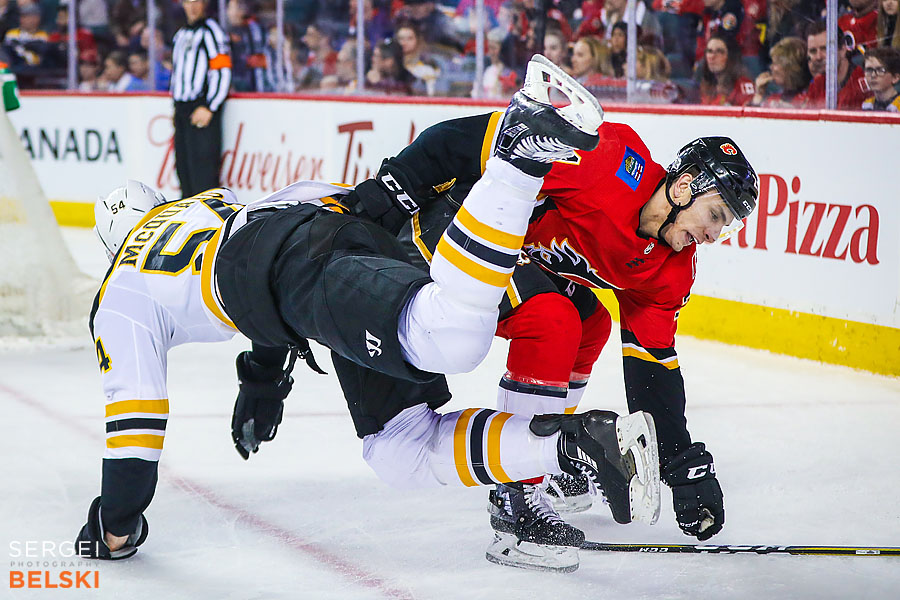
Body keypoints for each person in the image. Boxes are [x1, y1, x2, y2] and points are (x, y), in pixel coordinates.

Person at [75, 57, 660, 572]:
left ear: (111, 246)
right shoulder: (203, 204)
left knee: (450, 339)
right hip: (320, 243)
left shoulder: (121, 288)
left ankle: (517, 163)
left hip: (304, 267)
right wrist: (262, 380)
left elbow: (136, 424)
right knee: (399, 448)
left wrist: (115, 525)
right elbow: (260, 262)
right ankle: (569, 445)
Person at [339, 59, 759, 572]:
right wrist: (393, 187)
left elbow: (653, 366)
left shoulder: (671, 270)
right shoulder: (610, 160)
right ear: (685, 185)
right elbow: (473, 138)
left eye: (728, 227)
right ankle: (514, 495)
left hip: (523, 264)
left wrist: (679, 463)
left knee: (591, 322)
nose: (715, 235)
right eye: (717, 215)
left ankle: (546, 453)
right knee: (554, 317)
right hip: (453, 238)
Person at [171, 0, 231, 198]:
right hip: (181, 109)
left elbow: (222, 71)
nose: (193, 6)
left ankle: (209, 225)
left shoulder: (212, 32)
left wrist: (210, 105)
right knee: (184, 171)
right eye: (188, 1)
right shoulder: (180, 34)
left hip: (201, 107)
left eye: (197, 1)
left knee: (203, 175)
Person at [803, 22, 868, 110]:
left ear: (843, 49)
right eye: (813, 51)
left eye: (825, 49)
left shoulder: (863, 85)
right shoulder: (817, 84)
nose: (818, 57)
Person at [749, 36, 810, 107]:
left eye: (776, 63)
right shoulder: (773, 99)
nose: (771, 67)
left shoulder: (808, 100)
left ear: (790, 67)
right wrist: (759, 94)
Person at [696, 32, 755, 105]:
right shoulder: (701, 82)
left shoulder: (743, 84)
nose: (712, 56)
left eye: (719, 51)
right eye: (709, 51)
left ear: (730, 57)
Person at [226, 0, 267, 92]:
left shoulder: (255, 30)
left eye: (231, 8)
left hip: (254, 85)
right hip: (236, 84)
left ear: (241, 11)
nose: (228, 12)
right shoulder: (226, 31)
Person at [861, 46, 900, 110]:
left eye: (880, 70)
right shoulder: (866, 105)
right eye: (869, 70)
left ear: (895, 78)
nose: (873, 75)